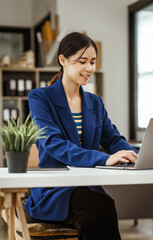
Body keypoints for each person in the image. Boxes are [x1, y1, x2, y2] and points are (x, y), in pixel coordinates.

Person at [25, 32, 138, 240]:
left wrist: (133, 154)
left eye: (93, 62)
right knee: (100, 207)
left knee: (99, 207)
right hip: (53, 191)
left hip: (86, 187)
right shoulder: (40, 98)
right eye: (82, 61)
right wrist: (105, 158)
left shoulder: (94, 102)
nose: (90, 68)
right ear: (63, 60)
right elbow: (53, 144)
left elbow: (112, 139)